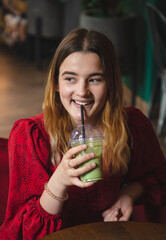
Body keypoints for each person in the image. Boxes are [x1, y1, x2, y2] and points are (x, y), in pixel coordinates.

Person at [0, 27, 166, 239]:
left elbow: (158, 177)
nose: (82, 91)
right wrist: (59, 181)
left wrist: (128, 193)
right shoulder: (30, 135)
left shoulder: (132, 125)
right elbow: (22, 232)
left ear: (111, 84)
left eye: (95, 79)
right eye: (70, 79)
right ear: (56, 84)